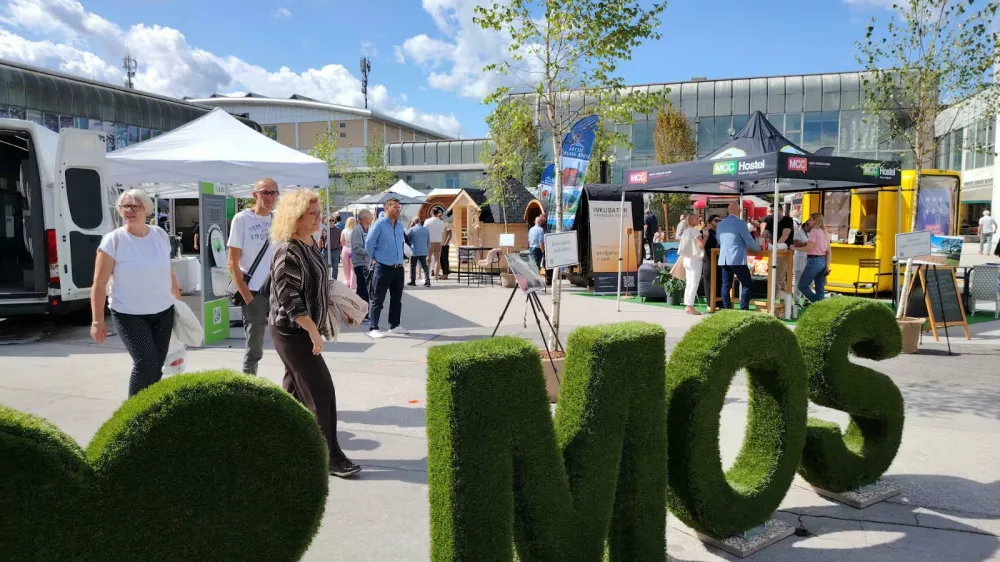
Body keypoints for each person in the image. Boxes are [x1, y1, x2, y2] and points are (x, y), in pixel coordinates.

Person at [268, 189, 360, 478]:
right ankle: (330, 457)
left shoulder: (310, 242)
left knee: (292, 393)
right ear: (295, 216)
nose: (319, 217)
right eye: (313, 213)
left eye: (319, 212)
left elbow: (317, 284)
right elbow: (290, 300)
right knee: (321, 392)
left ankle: (278, 444)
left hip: (304, 327)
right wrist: (313, 333)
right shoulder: (288, 250)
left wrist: (339, 305)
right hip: (291, 330)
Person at [91, 189, 181, 397]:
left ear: (146, 209)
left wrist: (179, 303)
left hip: (163, 311)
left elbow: (169, 271)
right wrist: (97, 321)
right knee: (145, 364)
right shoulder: (113, 240)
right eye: (125, 206)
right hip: (129, 313)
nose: (129, 211)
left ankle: (151, 410)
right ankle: (133, 417)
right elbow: (99, 283)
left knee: (157, 366)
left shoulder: (159, 235)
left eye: (135, 206)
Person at [227, 178, 278, 376]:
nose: (269, 197)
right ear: (254, 194)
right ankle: (248, 386)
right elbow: (232, 262)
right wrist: (247, 297)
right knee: (254, 347)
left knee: (287, 341)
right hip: (254, 292)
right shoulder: (242, 219)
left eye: (273, 193)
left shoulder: (277, 219)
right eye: (265, 192)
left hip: (277, 291)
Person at [365, 197, 408, 339]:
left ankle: (394, 325)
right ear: (386, 208)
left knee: (397, 298)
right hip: (383, 267)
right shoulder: (379, 224)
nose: (398, 210)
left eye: (398, 207)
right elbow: (369, 243)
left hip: (398, 267)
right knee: (378, 298)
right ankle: (374, 327)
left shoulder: (400, 225)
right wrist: (375, 258)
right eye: (395, 207)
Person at [716, 202, 761, 310]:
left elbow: (719, 240)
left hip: (724, 258)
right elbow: (749, 240)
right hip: (737, 258)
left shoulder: (720, 224)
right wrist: (759, 249)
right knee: (747, 284)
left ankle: (727, 309)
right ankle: (743, 308)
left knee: (726, 285)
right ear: (738, 211)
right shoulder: (741, 223)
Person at [797, 213, 832, 304]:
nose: (808, 222)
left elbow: (808, 248)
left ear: (816, 220)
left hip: (814, 261)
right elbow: (829, 252)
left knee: (802, 286)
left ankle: (817, 303)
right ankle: (821, 306)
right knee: (820, 288)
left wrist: (794, 248)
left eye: (810, 219)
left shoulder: (814, 231)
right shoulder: (825, 232)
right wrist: (827, 266)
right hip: (822, 261)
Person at [678, 214, 706, 315]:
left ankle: (688, 305)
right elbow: (701, 245)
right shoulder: (695, 231)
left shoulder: (685, 231)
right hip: (694, 259)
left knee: (689, 283)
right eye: (696, 219)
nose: (698, 220)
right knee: (694, 283)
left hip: (686, 259)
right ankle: (690, 306)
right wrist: (705, 237)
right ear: (691, 220)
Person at [351, 210, 373, 305]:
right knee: (363, 289)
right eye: (370, 217)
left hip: (366, 263)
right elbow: (357, 248)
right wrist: (370, 252)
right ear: (364, 218)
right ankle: (363, 313)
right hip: (360, 263)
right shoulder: (357, 230)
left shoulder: (367, 229)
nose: (371, 218)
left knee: (363, 289)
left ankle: (359, 312)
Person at [701, 214, 721, 306]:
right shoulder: (705, 231)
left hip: (718, 257)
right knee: (708, 278)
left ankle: (719, 302)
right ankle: (710, 303)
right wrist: (707, 229)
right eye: (716, 220)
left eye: (719, 221)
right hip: (708, 257)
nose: (718, 222)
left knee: (719, 278)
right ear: (710, 221)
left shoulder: (719, 232)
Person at [406, 217, 431, 287]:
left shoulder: (412, 229)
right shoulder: (426, 230)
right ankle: (427, 281)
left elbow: (406, 237)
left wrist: (410, 227)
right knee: (424, 266)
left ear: (413, 222)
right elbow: (428, 241)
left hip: (414, 251)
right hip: (423, 250)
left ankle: (413, 281)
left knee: (413, 266)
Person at [424, 208, 446, 281]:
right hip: (438, 242)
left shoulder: (427, 221)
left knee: (428, 259)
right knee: (437, 260)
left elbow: (424, 231)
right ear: (437, 213)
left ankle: (427, 277)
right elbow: (442, 232)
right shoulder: (441, 222)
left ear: (431, 213)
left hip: (430, 242)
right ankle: (436, 277)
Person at [340, 217, 357, 288]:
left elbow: (341, 241)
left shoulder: (344, 230)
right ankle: (353, 284)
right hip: (353, 250)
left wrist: (345, 246)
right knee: (353, 268)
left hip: (345, 249)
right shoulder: (356, 231)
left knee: (346, 267)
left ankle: (347, 282)